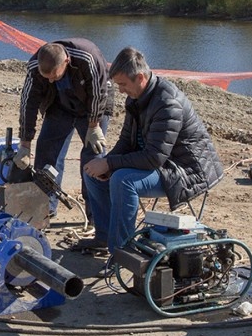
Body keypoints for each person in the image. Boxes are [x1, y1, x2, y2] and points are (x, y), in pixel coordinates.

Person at [80, 47, 224, 254]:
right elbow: (125, 142)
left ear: (140, 78)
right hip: (161, 164)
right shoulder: (136, 98)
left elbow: (154, 157)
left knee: (123, 180)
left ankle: (121, 252)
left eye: (123, 84)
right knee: (93, 173)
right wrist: (105, 163)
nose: (120, 91)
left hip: (185, 171)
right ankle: (104, 237)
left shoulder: (167, 103)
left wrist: (110, 164)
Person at [14, 39, 113, 218]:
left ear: (66, 62)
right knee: (46, 153)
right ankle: (44, 210)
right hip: (60, 104)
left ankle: (97, 216)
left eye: (54, 76)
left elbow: (99, 92)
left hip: (94, 104)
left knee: (94, 157)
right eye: (47, 78)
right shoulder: (35, 67)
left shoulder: (87, 57)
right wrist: (25, 144)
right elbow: (28, 103)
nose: (50, 80)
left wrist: (94, 125)